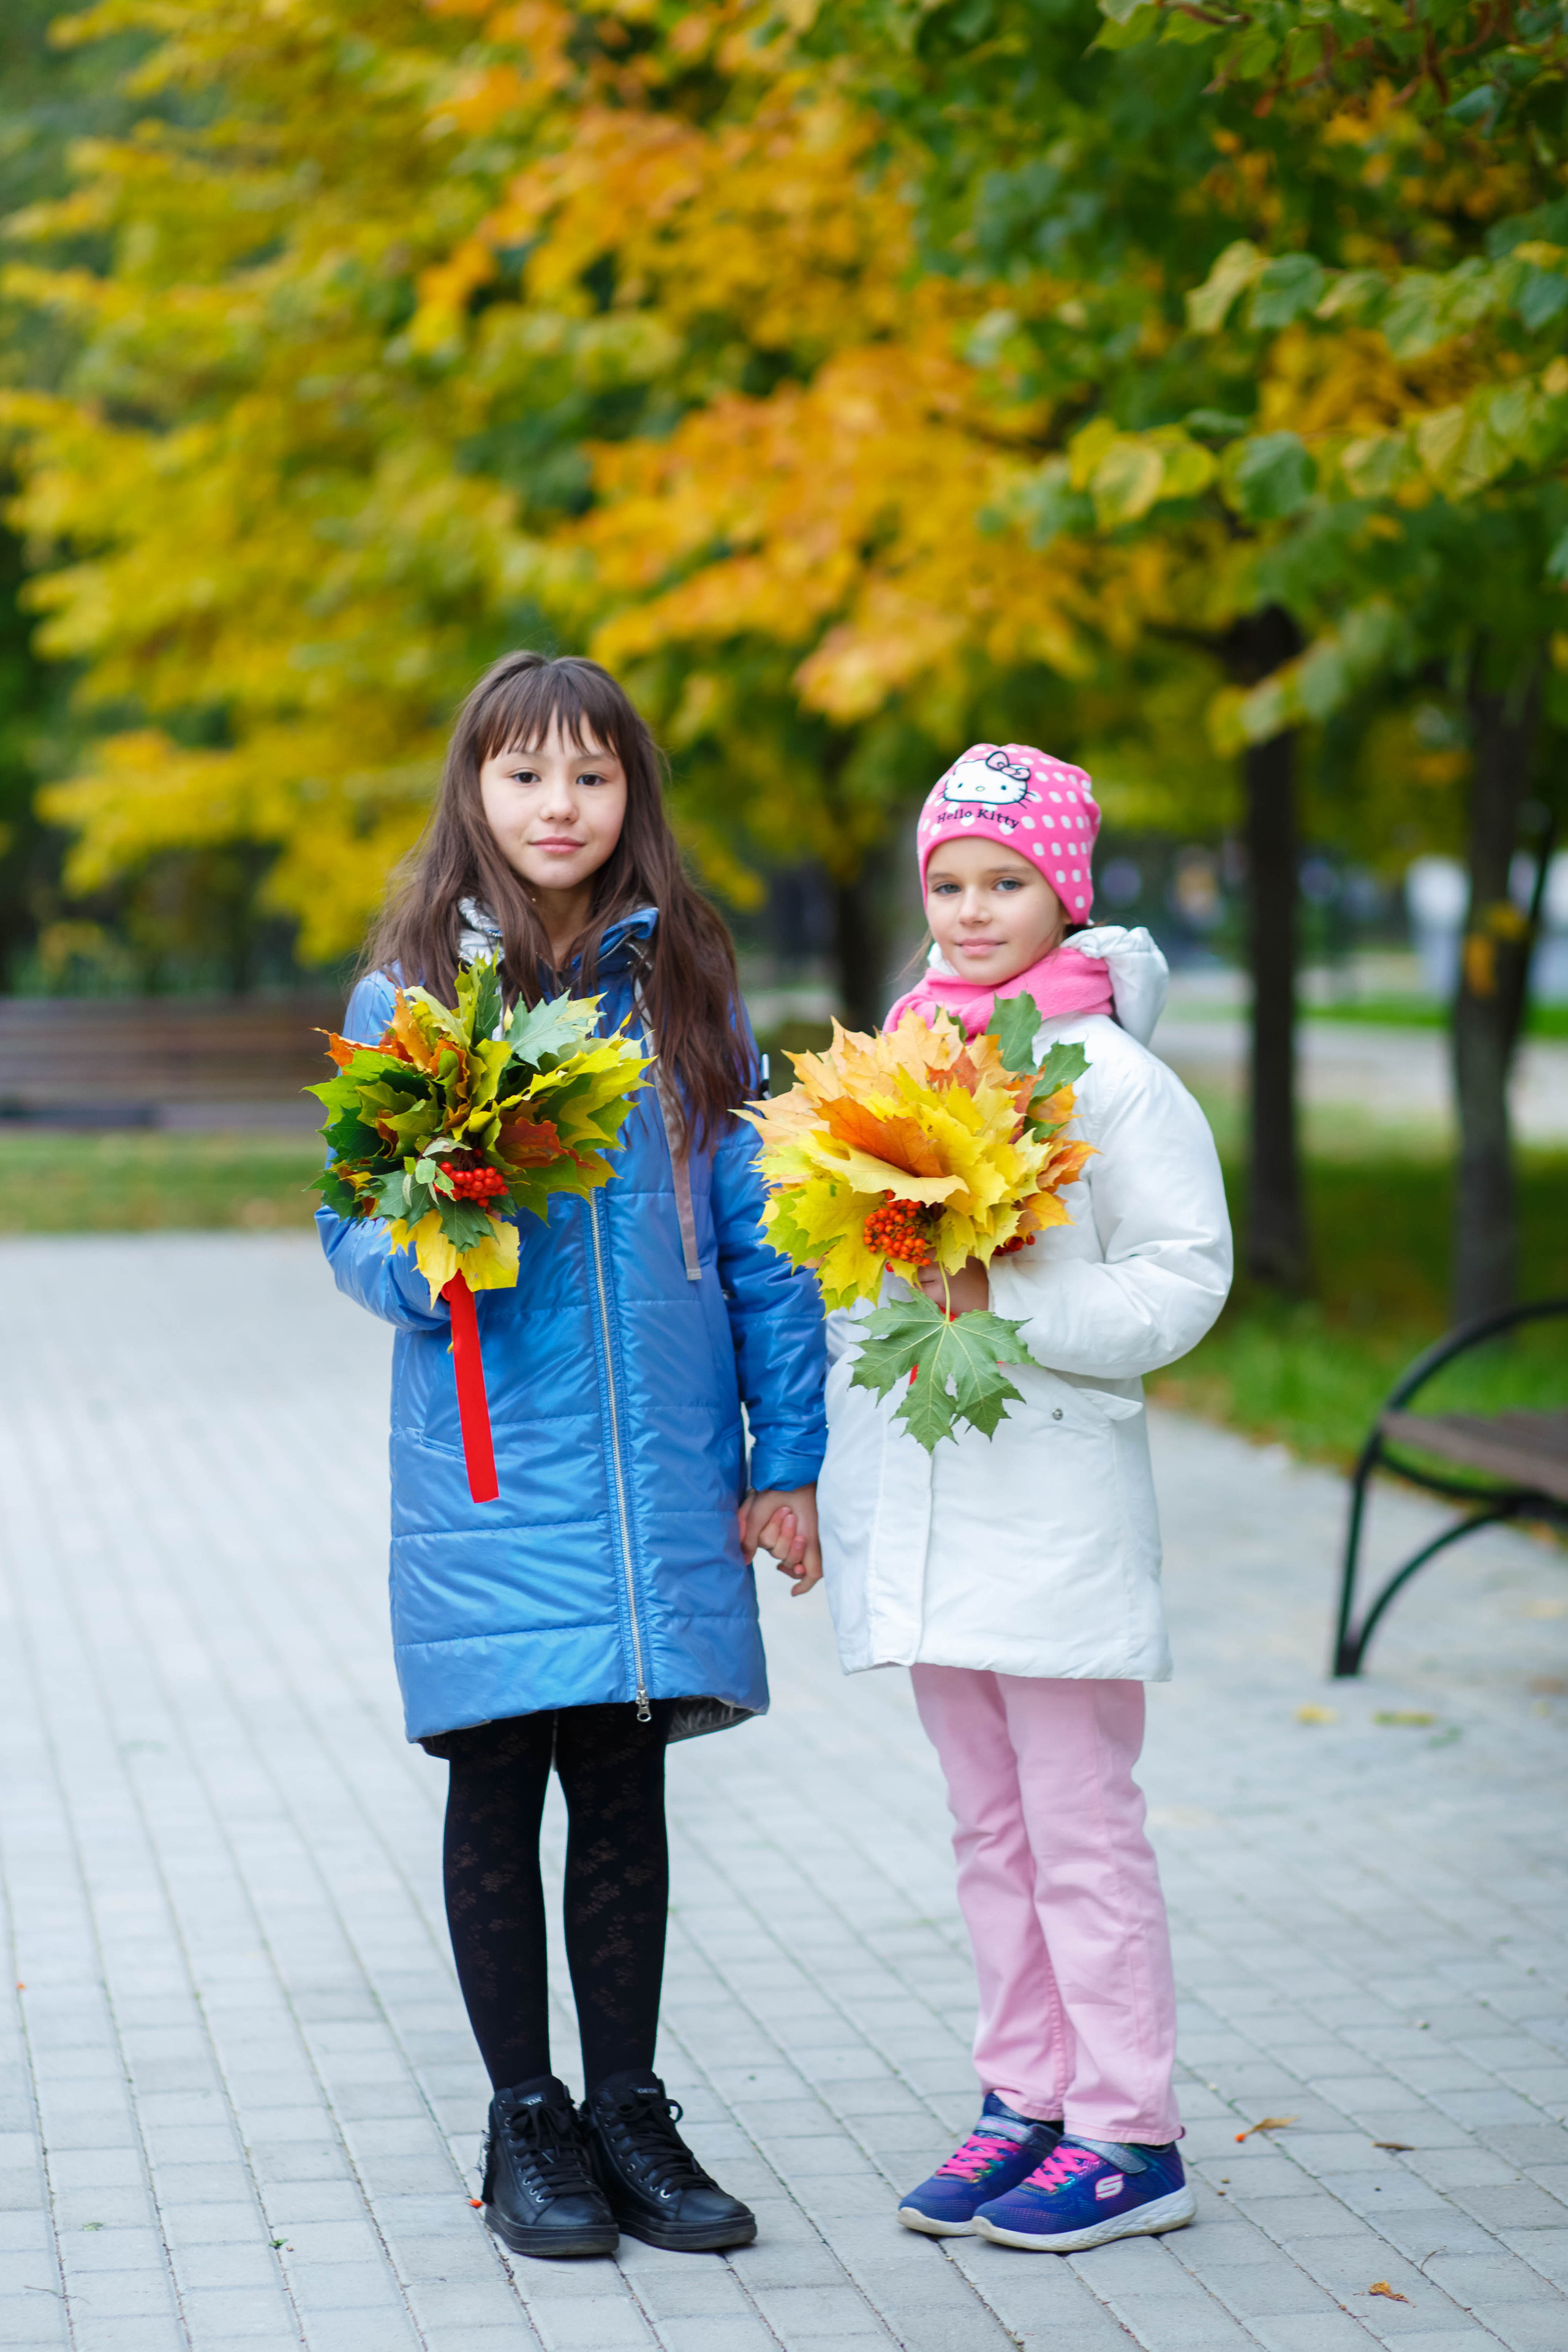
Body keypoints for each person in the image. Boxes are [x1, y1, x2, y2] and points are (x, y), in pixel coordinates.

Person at [319, 652, 827, 2260]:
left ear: (633, 798)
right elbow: (356, 1224)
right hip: (496, 1467)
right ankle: (525, 2117)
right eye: (528, 774)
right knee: (499, 1768)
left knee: (623, 1782)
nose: (561, 806)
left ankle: (629, 2110)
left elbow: (761, 1237)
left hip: (663, 1468)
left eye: (593, 777)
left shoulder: (684, 983)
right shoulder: (412, 993)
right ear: (474, 790)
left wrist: (786, 1448)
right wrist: (431, 1250)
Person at [818, 742, 1232, 2254]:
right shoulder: (897, 1062)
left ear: (1065, 893)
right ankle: (1023, 2100)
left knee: (1078, 1825)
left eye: (1006, 882)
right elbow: (846, 1276)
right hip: (927, 1500)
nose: (975, 909)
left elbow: (1182, 1278)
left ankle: (1130, 2127)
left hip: (1047, 1501)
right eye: (948, 882)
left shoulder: (1112, 1078)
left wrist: (1016, 1315)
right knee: (986, 1829)